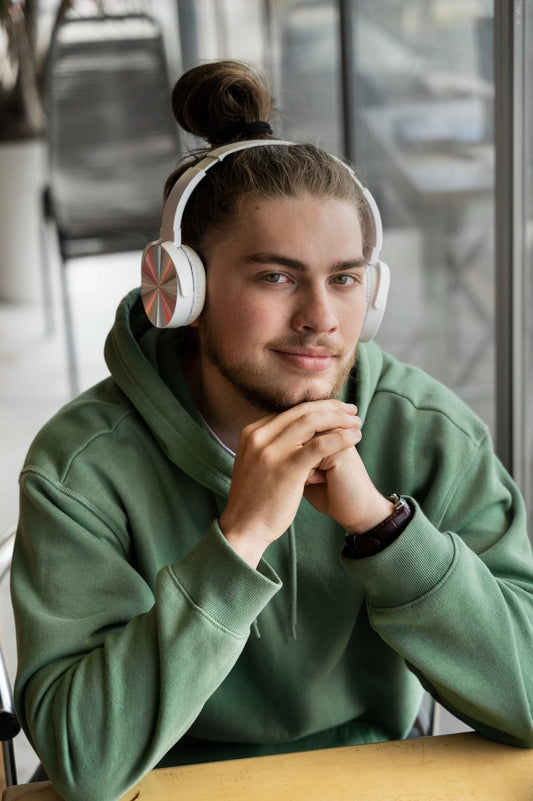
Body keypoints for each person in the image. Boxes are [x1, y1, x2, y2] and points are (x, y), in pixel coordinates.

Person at [11, 60, 533, 801]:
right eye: (276, 277)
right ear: (179, 290)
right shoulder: (81, 465)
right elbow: (85, 764)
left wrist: (382, 530)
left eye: (345, 279)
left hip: (365, 777)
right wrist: (238, 540)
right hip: (161, 783)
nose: (321, 318)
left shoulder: (428, 433)